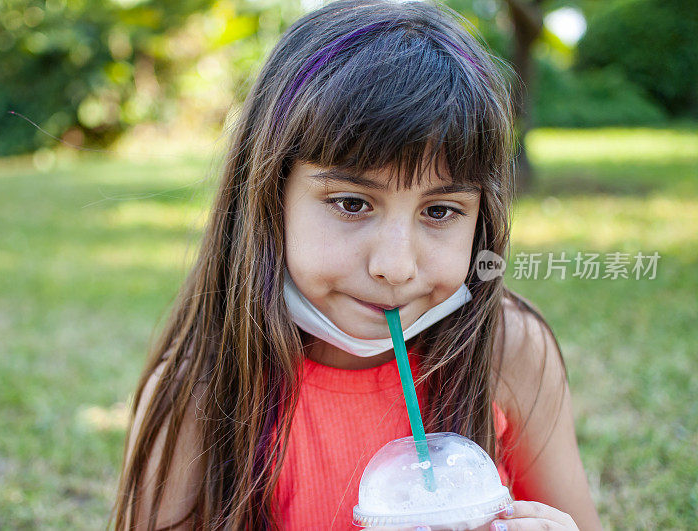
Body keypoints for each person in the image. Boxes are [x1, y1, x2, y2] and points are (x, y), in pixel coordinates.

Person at [111, 1, 603, 529]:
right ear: (268, 198)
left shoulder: (510, 349)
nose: (394, 266)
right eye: (351, 203)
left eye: (439, 211)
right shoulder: (201, 391)